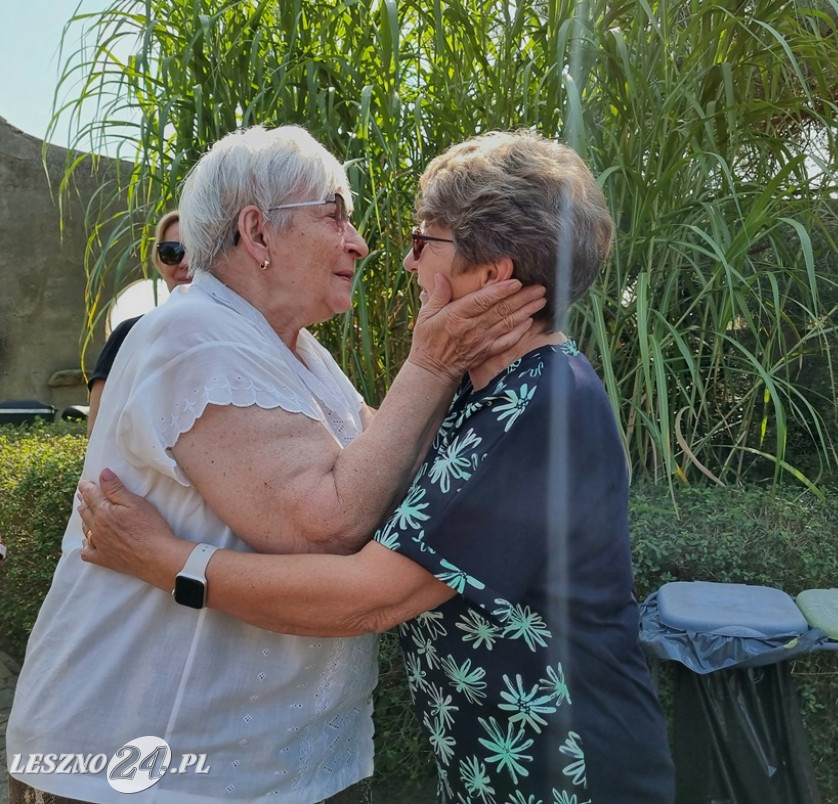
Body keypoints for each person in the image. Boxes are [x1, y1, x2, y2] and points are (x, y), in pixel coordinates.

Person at [77, 131, 675, 802]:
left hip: (570, 772)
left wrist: (167, 562)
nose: (406, 261)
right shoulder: (488, 392)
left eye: (425, 242)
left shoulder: (540, 405)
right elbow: (369, 458)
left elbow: (371, 595)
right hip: (510, 766)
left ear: (492, 273)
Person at [6, 124, 544, 804]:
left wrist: (472, 366)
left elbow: (392, 465)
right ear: (256, 232)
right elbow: (324, 526)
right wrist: (433, 363)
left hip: (269, 765)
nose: (359, 243)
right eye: (334, 216)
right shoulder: (194, 336)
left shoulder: (296, 350)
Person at [86, 210, 193, 436]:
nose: (185, 263)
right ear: (159, 262)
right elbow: (98, 431)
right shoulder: (128, 335)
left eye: (198, 251)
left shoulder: (243, 333)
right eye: (171, 252)